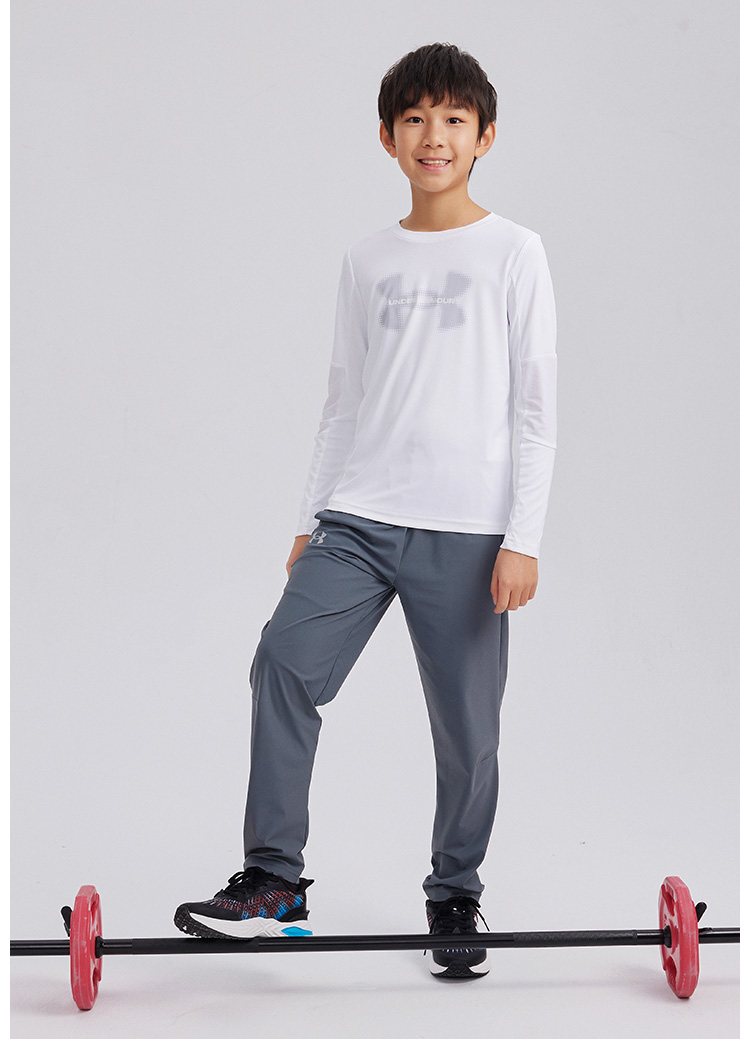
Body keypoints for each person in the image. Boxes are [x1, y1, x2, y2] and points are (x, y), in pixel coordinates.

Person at [174, 41, 557, 981]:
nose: (435, 137)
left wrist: (523, 538)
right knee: (283, 662)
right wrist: (311, 518)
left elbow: (536, 408)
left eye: (454, 120)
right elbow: (342, 401)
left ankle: (454, 893)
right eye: (415, 119)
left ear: (485, 136)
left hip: (469, 529)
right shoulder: (366, 256)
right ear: (387, 137)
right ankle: (274, 878)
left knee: (468, 730)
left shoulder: (515, 251)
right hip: (359, 518)